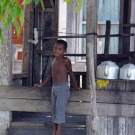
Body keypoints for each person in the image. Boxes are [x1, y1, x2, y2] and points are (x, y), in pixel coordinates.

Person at [34, 39, 81, 135]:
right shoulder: (53, 61)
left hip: (63, 88)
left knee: (59, 109)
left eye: (60, 49)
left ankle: (59, 130)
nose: (57, 50)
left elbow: (71, 73)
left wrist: (76, 86)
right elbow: (51, 75)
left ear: (65, 51)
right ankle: (54, 130)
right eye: (55, 48)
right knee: (54, 109)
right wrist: (42, 84)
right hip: (54, 88)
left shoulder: (66, 61)